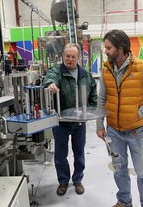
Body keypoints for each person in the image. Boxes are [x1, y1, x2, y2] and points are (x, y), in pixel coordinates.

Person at [96, 30, 143, 207]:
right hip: (113, 132)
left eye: (109, 48)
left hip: (136, 132)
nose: (106, 51)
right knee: (119, 170)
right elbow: (102, 98)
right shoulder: (106, 68)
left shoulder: (142, 67)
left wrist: (138, 113)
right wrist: (99, 124)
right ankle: (124, 202)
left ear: (121, 47)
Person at [43, 43, 97, 196]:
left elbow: (93, 93)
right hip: (61, 121)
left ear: (78, 58)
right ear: (63, 56)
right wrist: (51, 85)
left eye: (73, 57)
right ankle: (63, 181)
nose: (70, 59)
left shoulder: (85, 75)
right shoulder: (57, 72)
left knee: (79, 152)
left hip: (79, 121)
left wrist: (91, 111)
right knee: (61, 154)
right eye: (67, 56)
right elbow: (49, 79)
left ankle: (78, 179)